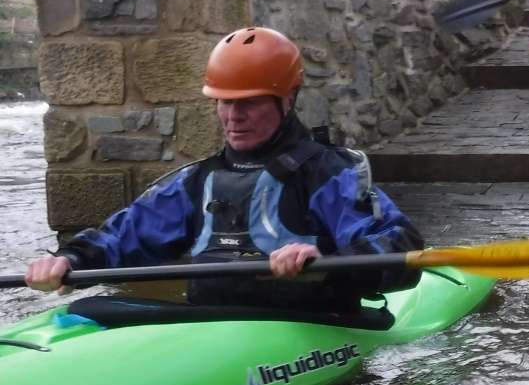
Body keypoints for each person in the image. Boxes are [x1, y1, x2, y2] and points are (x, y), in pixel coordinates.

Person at [25, 27, 424, 315]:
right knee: (92, 309)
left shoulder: (328, 174)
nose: (233, 116)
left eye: (248, 103)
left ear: (287, 99)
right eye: (224, 102)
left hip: (311, 325)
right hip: (214, 327)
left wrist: (324, 257)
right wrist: (70, 261)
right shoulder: (197, 182)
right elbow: (123, 236)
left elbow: (398, 243)